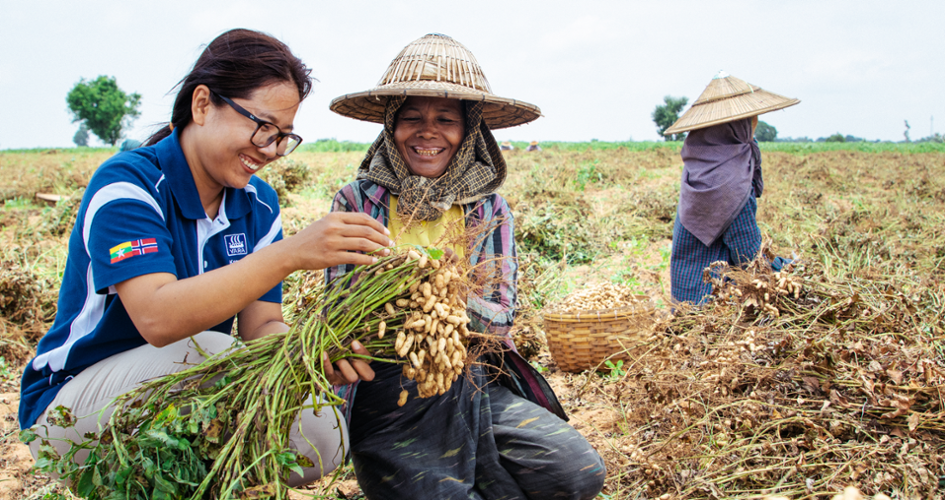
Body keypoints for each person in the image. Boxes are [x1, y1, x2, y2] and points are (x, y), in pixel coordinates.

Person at [18, 28, 391, 486]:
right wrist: (290, 253)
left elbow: (260, 327)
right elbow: (158, 318)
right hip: (73, 406)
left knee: (322, 431)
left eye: (283, 136)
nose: (271, 150)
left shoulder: (258, 204)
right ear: (202, 105)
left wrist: (310, 350)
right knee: (211, 352)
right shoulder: (127, 185)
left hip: (181, 389)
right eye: (262, 127)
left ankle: (186, 485)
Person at [326, 33, 605, 500]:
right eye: (411, 117)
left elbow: (499, 318)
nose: (427, 132)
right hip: (388, 388)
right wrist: (401, 293)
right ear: (391, 125)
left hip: (470, 376)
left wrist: (451, 293)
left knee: (576, 472)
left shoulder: (488, 209)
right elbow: (338, 311)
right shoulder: (357, 201)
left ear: (469, 130)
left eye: (446, 120)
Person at [664, 71, 799, 304]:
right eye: (752, 119)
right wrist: (788, 267)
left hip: (685, 295)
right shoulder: (730, 181)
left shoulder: (702, 166)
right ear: (740, 126)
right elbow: (748, 258)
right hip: (711, 305)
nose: (755, 124)